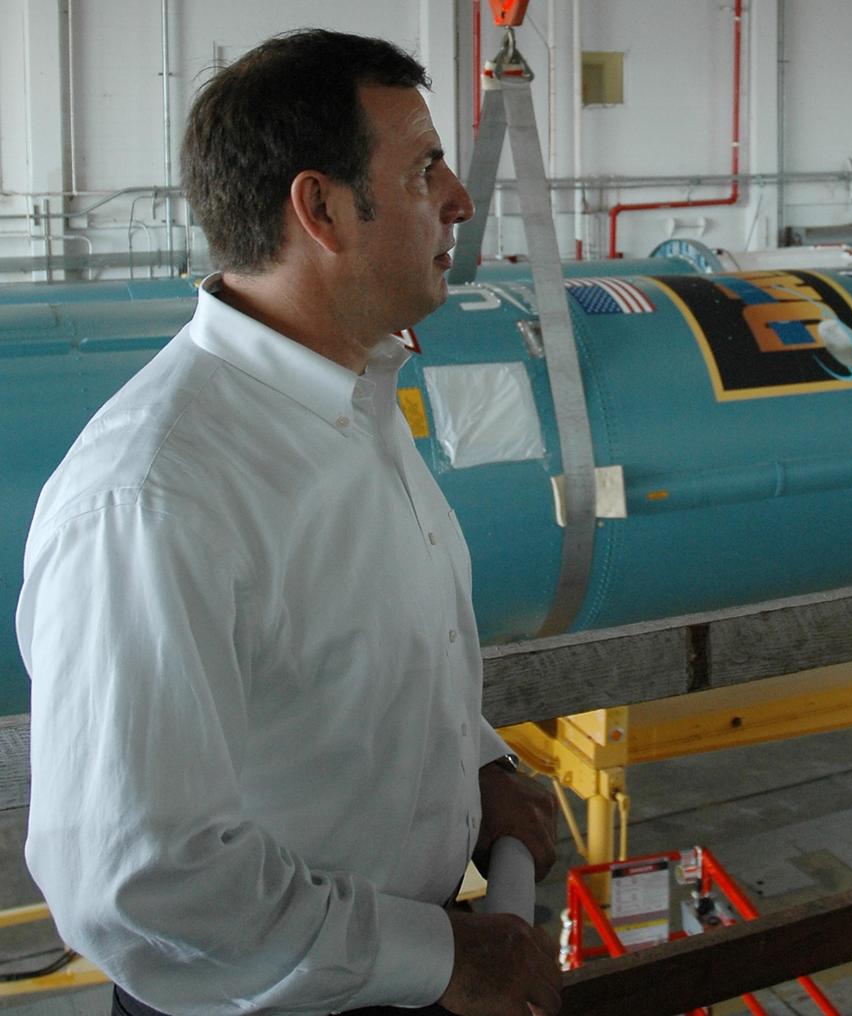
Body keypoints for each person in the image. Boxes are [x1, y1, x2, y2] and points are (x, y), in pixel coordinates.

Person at [15, 29, 561, 1016]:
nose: (459, 200)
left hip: (393, 964)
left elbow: (351, 661)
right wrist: (441, 958)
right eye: (422, 171)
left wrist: (473, 766)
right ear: (319, 209)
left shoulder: (351, 401)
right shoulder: (157, 495)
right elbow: (140, 878)